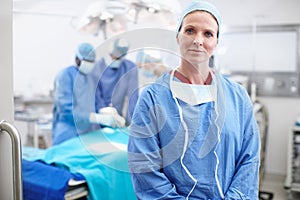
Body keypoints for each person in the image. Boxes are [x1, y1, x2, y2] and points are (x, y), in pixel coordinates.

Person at [128, 1, 261, 199]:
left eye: (208, 34)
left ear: (216, 42)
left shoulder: (237, 97)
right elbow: (145, 168)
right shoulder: (152, 98)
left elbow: (249, 160)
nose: (198, 40)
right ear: (178, 36)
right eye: (190, 30)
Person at [52, 43, 124, 146]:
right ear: (77, 59)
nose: (89, 64)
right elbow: (66, 109)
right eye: (86, 61)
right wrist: (94, 118)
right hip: (68, 133)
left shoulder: (92, 77)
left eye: (91, 61)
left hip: (88, 133)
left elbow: (98, 101)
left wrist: (106, 111)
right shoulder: (65, 76)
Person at [93, 38, 139, 126]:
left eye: (119, 57)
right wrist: (103, 112)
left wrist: (132, 125)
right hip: (98, 122)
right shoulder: (96, 68)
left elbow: (133, 99)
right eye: (113, 56)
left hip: (118, 121)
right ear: (109, 52)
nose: (115, 59)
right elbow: (95, 97)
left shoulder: (129, 68)